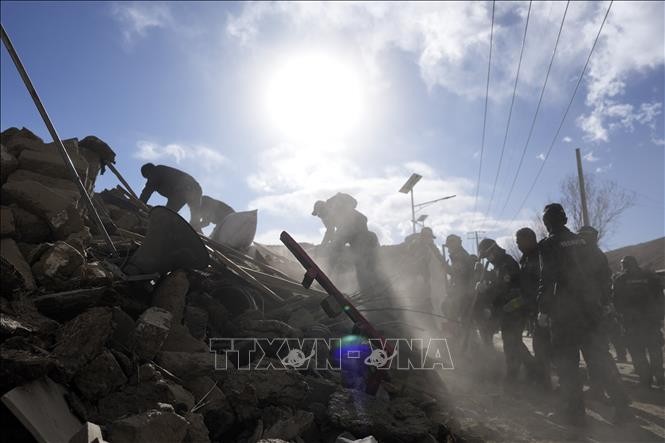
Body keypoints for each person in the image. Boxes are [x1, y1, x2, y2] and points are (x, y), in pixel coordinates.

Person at [537, 203, 630, 425]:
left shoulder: (549, 244)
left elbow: (547, 280)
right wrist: (604, 302)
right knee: (600, 359)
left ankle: (574, 414)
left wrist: (543, 310)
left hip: (565, 315)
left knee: (567, 365)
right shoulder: (588, 244)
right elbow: (604, 277)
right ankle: (623, 408)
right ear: (566, 220)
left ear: (546, 223)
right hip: (591, 312)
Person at [477, 238, 537, 383]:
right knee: (514, 342)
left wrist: (488, 288)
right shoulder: (498, 264)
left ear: (493, 250)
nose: (488, 260)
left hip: (514, 309)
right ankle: (534, 371)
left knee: (511, 344)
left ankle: (513, 380)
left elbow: (504, 288)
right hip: (506, 310)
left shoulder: (507, 263)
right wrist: (485, 282)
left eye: (487, 256)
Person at [613, 255, 664, 388]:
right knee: (655, 350)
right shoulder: (650, 277)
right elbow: (660, 297)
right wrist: (660, 316)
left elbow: (616, 302)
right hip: (651, 321)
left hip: (632, 324)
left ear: (624, 265)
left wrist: (621, 317)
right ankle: (660, 378)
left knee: (637, 352)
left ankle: (645, 380)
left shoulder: (620, 280)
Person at [516, 227, 552, 390]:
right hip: (533, 310)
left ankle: (546, 385)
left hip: (544, 310)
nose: (517, 244)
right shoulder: (524, 259)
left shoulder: (540, 255)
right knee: (540, 348)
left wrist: (543, 309)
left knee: (544, 349)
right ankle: (542, 380)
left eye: (519, 240)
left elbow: (544, 283)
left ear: (528, 239)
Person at [139, 163, 203, 231]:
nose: (148, 179)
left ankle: (162, 233)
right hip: (196, 188)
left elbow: (147, 190)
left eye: (147, 177)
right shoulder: (161, 171)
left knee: (166, 215)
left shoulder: (156, 171)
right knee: (195, 221)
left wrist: (139, 204)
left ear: (148, 171)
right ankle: (199, 237)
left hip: (183, 190)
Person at [442, 234, 476, 321]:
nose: (449, 250)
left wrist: (445, 267)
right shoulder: (460, 255)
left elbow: (457, 273)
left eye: (449, 246)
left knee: (462, 322)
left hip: (463, 294)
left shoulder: (459, 256)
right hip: (464, 293)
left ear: (454, 245)